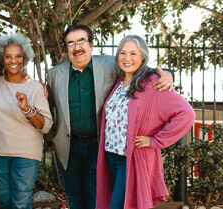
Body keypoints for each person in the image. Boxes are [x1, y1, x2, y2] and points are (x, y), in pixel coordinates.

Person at [46, 24, 174, 209]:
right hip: (68, 147)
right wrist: (50, 139)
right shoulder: (54, 74)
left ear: (91, 43)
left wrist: (169, 75)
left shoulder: (110, 65)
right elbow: (49, 108)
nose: (76, 47)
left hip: (98, 146)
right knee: (74, 199)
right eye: (71, 43)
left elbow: (141, 70)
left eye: (81, 41)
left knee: (96, 199)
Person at [95, 35, 195, 209]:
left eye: (133, 53)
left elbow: (186, 114)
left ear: (143, 57)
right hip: (111, 156)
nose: (127, 58)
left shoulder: (153, 82)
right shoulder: (119, 81)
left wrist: (155, 140)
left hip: (130, 160)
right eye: (123, 53)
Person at [0, 33, 53, 209]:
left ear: (25, 59)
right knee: (4, 203)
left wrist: (27, 108)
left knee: (21, 204)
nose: (13, 61)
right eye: (8, 56)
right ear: (1, 59)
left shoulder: (35, 87)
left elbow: (45, 125)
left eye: (18, 56)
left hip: (26, 154)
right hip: (0, 152)